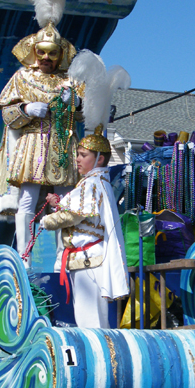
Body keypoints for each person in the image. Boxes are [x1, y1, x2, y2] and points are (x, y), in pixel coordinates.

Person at [0, 0, 83, 268]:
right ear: (34, 51)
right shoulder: (22, 77)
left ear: (60, 55)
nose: (46, 57)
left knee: (63, 201)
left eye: (52, 53)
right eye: (41, 52)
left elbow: (83, 114)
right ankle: (23, 255)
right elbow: (7, 113)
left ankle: (62, 254)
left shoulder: (69, 81)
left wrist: (76, 103)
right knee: (27, 201)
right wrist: (26, 109)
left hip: (60, 144)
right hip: (32, 145)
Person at [40, 127, 129, 328]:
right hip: (85, 259)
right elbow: (82, 210)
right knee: (91, 319)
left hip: (87, 260)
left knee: (90, 321)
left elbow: (74, 215)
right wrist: (60, 203)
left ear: (99, 159)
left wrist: (47, 221)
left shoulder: (92, 183)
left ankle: (100, 356)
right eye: (77, 155)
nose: (77, 159)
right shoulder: (94, 182)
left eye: (83, 155)